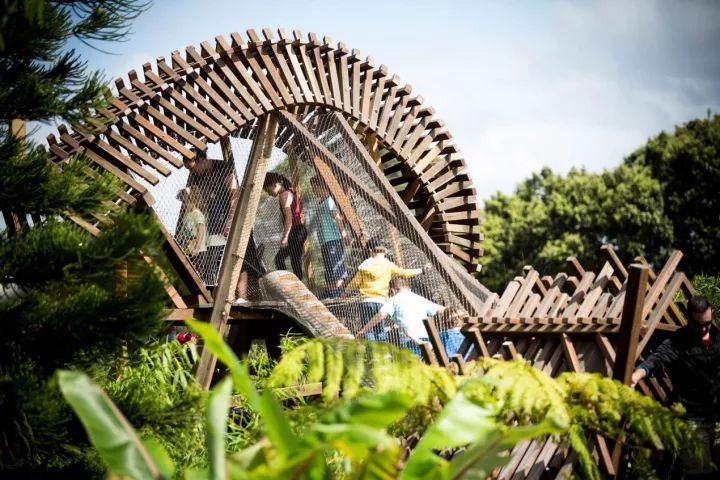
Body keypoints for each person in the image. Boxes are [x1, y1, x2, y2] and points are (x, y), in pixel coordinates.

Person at [630, 295, 720, 478]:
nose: (703, 329)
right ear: (689, 319)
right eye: (698, 325)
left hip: (717, 416)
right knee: (700, 472)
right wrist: (636, 375)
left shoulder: (718, 338)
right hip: (692, 420)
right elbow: (655, 359)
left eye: (707, 324)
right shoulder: (678, 342)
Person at [356, 278, 466, 357]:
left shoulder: (394, 299)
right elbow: (441, 309)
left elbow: (381, 315)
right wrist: (460, 315)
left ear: (393, 290)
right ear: (408, 288)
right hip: (427, 338)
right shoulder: (418, 298)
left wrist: (363, 330)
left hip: (410, 340)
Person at [346, 242, 426, 337]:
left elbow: (355, 282)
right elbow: (403, 273)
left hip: (366, 301)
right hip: (381, 301)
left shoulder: (365, 265)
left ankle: (371, 350)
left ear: (372, 252)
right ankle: (382, 349)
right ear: (384, 253)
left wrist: (346, 292)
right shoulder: (388, 265)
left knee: (367, 329)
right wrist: (421, 270)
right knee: (380, 329)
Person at [183, 153, 238, 285]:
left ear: (201, 160)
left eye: (192, 168)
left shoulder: (224, 169)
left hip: (225, 225)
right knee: (206, 267)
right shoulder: (199, 178)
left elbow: (235, 196)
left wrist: (229, 221)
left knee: (220, 265)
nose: (192, 172)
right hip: (210, 227)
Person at [309, 176, 349, 298]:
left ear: (321, 187)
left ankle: (338, 292)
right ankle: (332, 291)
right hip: (325, 241)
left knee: (335, 265)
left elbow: (336, 217)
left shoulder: (329, 200)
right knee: (329, 267)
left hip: (333, 239)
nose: (313, 190)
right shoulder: (321, 202)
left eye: (314, 187)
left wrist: (343, 234)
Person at [263, 172, 307, 279]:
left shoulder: (284, 195)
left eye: (268, 190)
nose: (269, 194)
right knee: (290, 259)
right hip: (299, 230)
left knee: (287, 259)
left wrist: (285, 237)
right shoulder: (289, 191)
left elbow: (289, 217)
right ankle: (291, 283)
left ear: (275, 184)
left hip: (296, 230)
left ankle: (291, 284)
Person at [177, 187, 207, 271]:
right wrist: (178, 238)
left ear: (193, 200)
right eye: (183, 202)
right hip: (188, 248)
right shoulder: (187, 214)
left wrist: (197, 248)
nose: (183, 205)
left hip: (197, 250)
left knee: (195, 271)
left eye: (185, 202)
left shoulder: (197, 213)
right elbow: (183, 229)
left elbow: (200, 231)